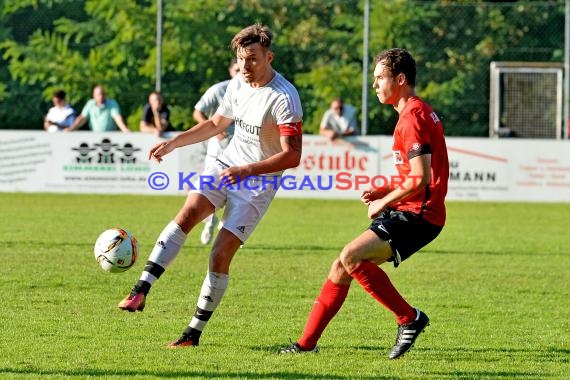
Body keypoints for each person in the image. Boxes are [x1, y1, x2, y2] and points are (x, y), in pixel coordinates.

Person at [117, 24, 304, 349]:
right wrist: (174, 143)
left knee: (219, 255)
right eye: (241, 59)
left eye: (253, 60)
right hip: (226, 164)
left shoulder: (284, 98)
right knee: (189, 212)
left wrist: (246, 170)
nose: (245, 67)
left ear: (268, 57)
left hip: (257, 183)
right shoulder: (237, 84)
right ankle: (141, 290)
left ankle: (192, 334)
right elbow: (217, 124)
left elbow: (293, 156)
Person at [279, 48, 449, 360]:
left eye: (380, 78)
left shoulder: (412, 118)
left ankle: (409, 318)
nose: (375, 85)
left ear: (400, 79)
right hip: (410, 208)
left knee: (351, 256)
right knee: (341, 266)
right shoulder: (414, 113)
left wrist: (383, 200)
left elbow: (421, 179)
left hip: (420, 215)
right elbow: (414, 175)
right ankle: (305, 344)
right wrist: (383, 187)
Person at [193, 58, 240, 245]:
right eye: (236, 69)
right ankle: (210, 223)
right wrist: (215, 128)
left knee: (236, 194)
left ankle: (226, 227)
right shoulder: (218, 90)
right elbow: (198, 111)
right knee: (211, 192)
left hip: (241, 154)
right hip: (217, 153)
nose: (240, 72)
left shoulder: (254, 92)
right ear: (230, 71)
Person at [65, 85, 130, 132]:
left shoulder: (112, 104)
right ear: (94, 95)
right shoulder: (90, 104)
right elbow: (82, 118)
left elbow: (117, 118)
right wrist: (71, 129)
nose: (101, 96)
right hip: (95, 136)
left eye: (103, 94)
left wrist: (125, 130)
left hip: (110, 137)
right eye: (99, 94)